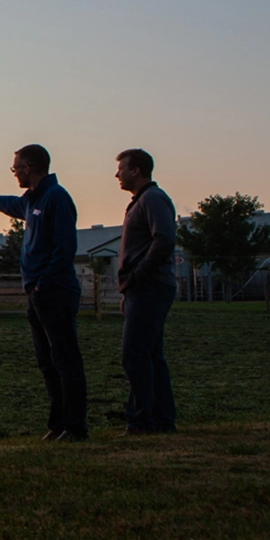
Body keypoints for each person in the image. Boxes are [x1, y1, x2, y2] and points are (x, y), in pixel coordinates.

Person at [0, 144, 88, 441]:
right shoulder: (34, 199)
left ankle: (76, 427)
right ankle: (58, 423)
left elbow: (64, 248)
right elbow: (14, 205)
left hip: (54, 292)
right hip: (38, 294)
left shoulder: (56, 198)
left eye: (15, 168)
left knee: (65, 360)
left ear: (29, 167)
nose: (14, 174)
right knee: (47, 362)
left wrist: (42, 283)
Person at [114, 148, 177, 435]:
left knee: (134, 353)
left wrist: (138, 276)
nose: (118, 174)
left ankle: (141, 420)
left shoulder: (152, 198)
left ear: (136, 170)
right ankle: (161, 419)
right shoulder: (142, 201)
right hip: (142, 289)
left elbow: (164, 239)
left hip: (150, 287)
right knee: (150, 355)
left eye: (121, 168)